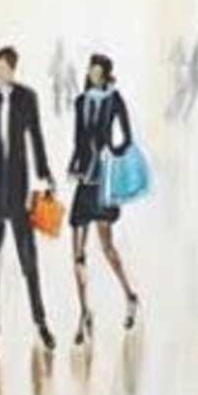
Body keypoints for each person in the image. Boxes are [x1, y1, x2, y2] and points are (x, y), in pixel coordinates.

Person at [0, 45, 59, 356]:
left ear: (12, 68)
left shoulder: (27, 99)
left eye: (3, 67)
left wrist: (45, 174)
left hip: (18, 194)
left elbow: (37, 138)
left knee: (29, 260)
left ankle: (40, 322)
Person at [66, 54, 144, 343]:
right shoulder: (80, 101)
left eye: (99, 72)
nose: (94, 75)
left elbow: (127, 136)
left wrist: (112, 151)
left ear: (106, 74)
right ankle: (84, 311)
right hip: (84, 180)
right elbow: (77, 140)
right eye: (91, 70)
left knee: (106, 246)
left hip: (103, 180)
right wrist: (74, 164)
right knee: (77, 252)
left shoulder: (114, 99)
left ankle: (129, 294)